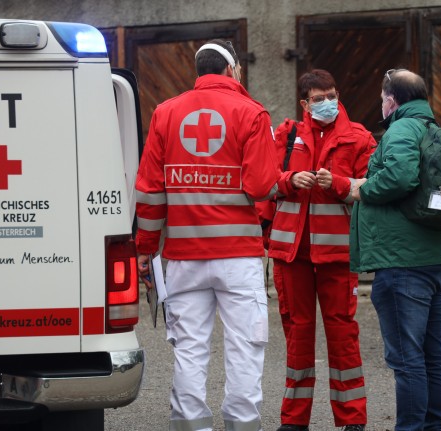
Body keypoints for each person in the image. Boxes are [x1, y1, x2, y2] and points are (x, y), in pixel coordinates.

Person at [134, 39, 280, 431]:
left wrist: (145, 250)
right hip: (238, 259)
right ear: (232, 70)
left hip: (183, 257)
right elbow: (262, 185)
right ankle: (242, 425)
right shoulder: (251, 113)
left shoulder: (166, 113)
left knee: (189, 350)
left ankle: (189, 424)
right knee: (245, 350)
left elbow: (149, 191)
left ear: (198, 71)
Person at [260, 69, 375, 431]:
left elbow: (373, 188)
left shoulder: (359, 138)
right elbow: (264, 182)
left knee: (343, 335)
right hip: (291, 254)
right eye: (318, 98)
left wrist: (339, 184)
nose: (327, 103)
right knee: (298, 335)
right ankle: (294, 422)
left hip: (338, 257)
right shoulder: (287, 133)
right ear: (304, 103)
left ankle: (352, 420)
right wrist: (289, 180)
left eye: (331, 95)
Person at [350, 68, 441, 431]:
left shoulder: (400, 128)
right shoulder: (434, 129)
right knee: (431, 353)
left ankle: (411, 428)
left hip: (403, 264)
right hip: (436, 258)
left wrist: (362, 188)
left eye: (382, 99)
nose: (381, 106)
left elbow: (399, 177)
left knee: (407, 359)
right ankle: (435, 426)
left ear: (392, 101)